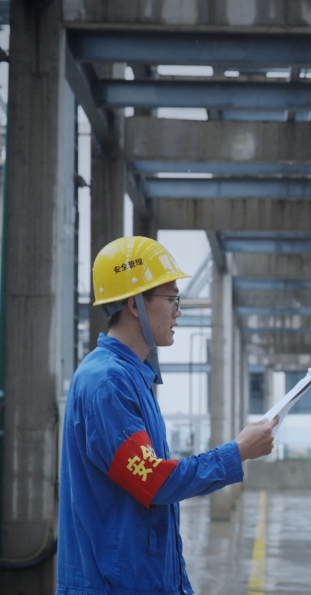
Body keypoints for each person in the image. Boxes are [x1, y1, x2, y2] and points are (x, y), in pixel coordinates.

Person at [58, 237, 279, 595]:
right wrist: (236, 452)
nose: (179, 311)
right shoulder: (108, 383)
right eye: (172, 299)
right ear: (135, 305)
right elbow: (155, 483)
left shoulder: (131, 376)